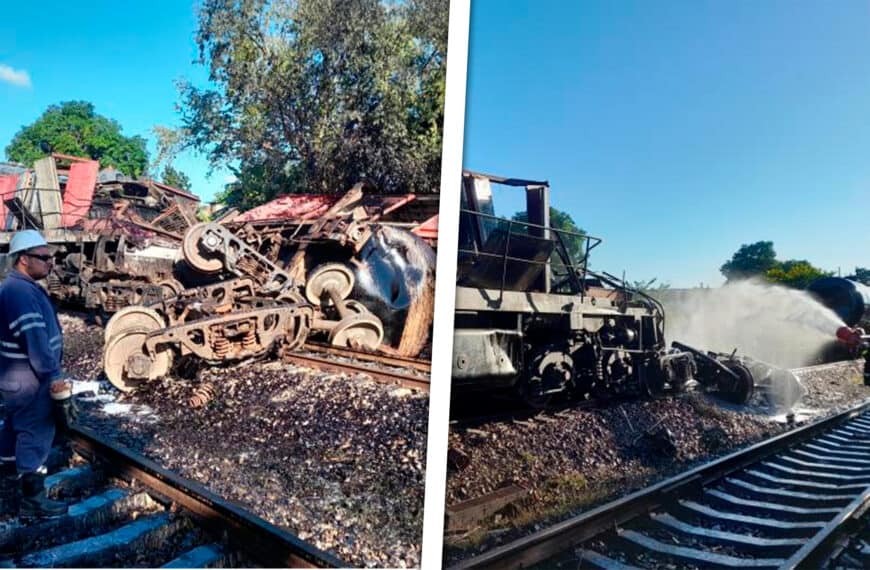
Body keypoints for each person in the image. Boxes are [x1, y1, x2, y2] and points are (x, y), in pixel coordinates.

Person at [0, 230, 76, 518]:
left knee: (14, 428)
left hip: (15, 379)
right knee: (36, 433)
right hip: (31, 381)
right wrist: (54, 376)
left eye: (51, 257)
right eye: (44, 258)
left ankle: (8, 483)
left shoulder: (18, 287)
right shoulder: (20, 292)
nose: (50, 263)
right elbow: (34, 340)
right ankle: (33, 501)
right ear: (23, 260)